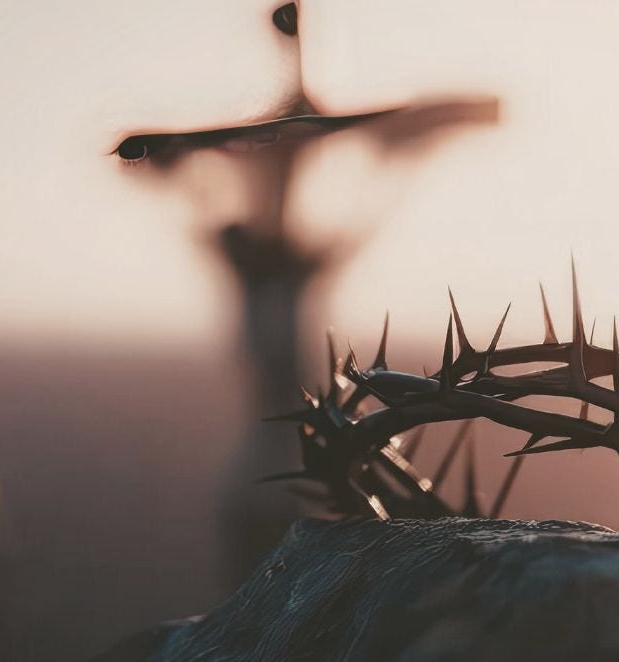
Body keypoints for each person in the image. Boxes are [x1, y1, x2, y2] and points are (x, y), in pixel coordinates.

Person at [110, 1, 497, 585]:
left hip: (281, 447)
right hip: (270, 450)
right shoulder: (262, 259)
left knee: (283, 428)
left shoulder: (269, 257)